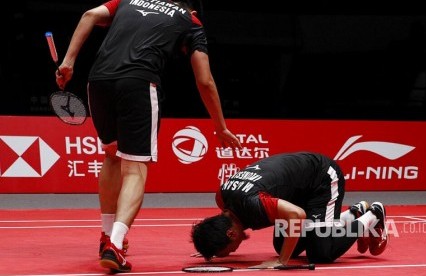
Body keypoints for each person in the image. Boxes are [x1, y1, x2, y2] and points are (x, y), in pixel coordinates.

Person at [55, 0, 242, 273]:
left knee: (111, 155)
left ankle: (108, 235)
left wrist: (69, 62)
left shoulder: (126, 2)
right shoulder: (190, 21)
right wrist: (220, 127)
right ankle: (115, 245)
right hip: (138, 83)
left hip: (98, 81)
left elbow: (89, 14)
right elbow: (204, 80)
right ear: (190, 8)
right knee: (135, 169)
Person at [191, 151, 388, 268]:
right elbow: (291, 213)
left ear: (231, 233)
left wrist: (281, 261)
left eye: (225, 251)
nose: (233, 251)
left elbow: (296, 214)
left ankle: (373, 215)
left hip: (321, 179)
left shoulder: (253, 204)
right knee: (283, 245)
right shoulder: (223, 197)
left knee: (321, 252)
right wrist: (211, 242)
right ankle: (355, 213)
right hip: (295, 192)